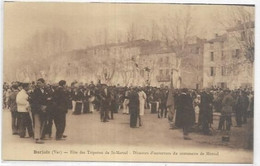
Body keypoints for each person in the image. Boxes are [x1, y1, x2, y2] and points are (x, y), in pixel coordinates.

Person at [30, 78, 48, 144]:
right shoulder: (36, 91)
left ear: (43, 83)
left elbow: (46, 99)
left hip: (44, 109)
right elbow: (34, 101)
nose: (38, 84)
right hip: (37, 109)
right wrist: (41, 107)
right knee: (37, 123)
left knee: (42, 123)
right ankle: (37, 138)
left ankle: (40, 136)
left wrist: (45, 106)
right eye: (37, 83)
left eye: (39, 83)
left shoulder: (45, 90)